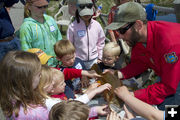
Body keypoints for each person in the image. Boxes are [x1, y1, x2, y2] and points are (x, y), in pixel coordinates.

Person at [106, 2, 180, 110]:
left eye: (122, 30)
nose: (120, 36)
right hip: (168, 74)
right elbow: (139, 63)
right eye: (117, 31)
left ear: (138, 25)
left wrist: (131, 96)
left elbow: (169, 87)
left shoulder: (169, 42)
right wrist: (119, 74)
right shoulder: (138, 39)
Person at [0, 51, 49, 119]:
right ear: (26, 81)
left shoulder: (9, 96)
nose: (41, 76)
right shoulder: (33, 114)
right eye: (39, 74)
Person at [20, 0, 62, 67]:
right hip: (40, 66)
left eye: (45, 6)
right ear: (29, 7)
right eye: (39, 7)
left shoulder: (50, 20)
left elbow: (59, 40)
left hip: (57, 64)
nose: (43, 9)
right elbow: (26, 52)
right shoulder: (26, 27)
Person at [67, 0, 105, 69]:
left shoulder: (97, 25)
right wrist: (72, 58)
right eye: (83, 13)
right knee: (80, 79)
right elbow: (70, 44)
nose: (86, 15)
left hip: (94, 60)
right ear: (78, 11)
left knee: (94, 78)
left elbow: (101, 42)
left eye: (88, 13)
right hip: (78, 60)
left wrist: (100, 57)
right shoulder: (72, 27)